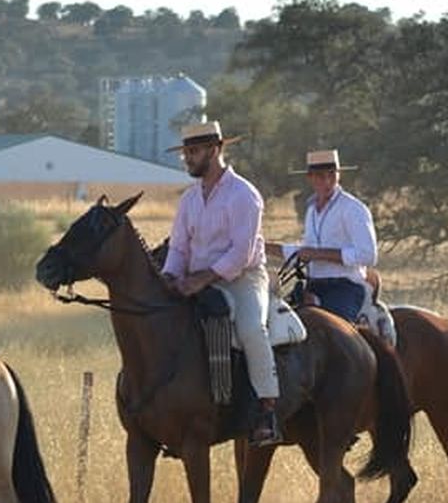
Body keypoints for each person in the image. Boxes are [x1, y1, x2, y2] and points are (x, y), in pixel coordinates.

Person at [161, 120, 283, 447]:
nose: (187, 158)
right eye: (186, 152)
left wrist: (201, 279)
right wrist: (171, 276)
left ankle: (266, 410)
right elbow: (179, 247)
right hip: (196, 280)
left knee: (250, 329)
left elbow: (241, 253)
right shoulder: (189, 199)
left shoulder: (244, 195)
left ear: (215, 150)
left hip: (242, 278)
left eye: (194, 151)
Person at [265, 149, 378, 324]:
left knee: (336, 336)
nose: (327, 181)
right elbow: (305, 252)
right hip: (313, 286)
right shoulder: (311, 211)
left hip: (345, 288)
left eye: (332, 175)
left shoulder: (353, 208)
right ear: (310, 178)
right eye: (320, 176)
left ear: (339, 175)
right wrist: (263, 246)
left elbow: (368, 255)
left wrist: (317, 254)